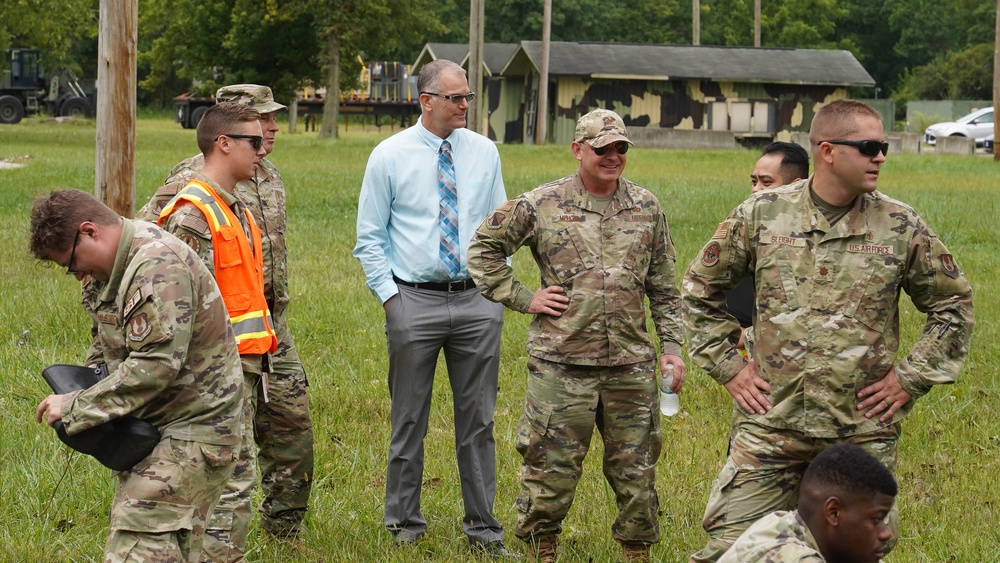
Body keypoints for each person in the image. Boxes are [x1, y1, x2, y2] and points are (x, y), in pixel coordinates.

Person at [683, 99, 974, 563]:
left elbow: (953, 305)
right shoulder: (763, 214)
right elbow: (699, 289)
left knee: (860, 550)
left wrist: (910, 378)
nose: (880, 155)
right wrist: (728, 367)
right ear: (827, 151)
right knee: (732, 549)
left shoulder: (900, 225)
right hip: (771, 424)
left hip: (858, 430)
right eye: (869, 146)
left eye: (883, 147)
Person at [467, 108, 687, 563]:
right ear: (578, 149)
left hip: (629, 364)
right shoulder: (542, 203)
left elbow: (664, 284)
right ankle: (540, 547)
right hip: (561, 364)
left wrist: (671, 347)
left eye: (620, 148)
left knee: (637, 469)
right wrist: (525, 297)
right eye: (601, 148)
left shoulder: (646, 206)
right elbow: (483, 249)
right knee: (550, 466)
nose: (612, 156)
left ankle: (636, 551)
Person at [138, 84, 314, 540]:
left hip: (269, 327)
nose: (271, 129)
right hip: (218, 339)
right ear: (230, 133)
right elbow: (148, 241)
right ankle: (205, 531)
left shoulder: (269, 175)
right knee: (227, 448)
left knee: (292, 426)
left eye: (272, 121)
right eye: (262, 122)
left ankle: (283, 529)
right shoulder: (191, 182)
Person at [353, 59, 513, 558]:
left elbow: (501, 226)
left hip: (476, 301)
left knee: (479, 422)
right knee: (408, 420)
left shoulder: (485, 152)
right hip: (413, 302)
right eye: (455, 97)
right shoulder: (389, 156)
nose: (465, 104)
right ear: (426, 101)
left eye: (467, 97)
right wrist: (391, 299)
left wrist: (494, 290)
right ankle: (403, 524)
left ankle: (484, 529)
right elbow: (370, 236)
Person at [30, 189, 244, 561]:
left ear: (90, 231)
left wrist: (76, 406)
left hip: (195, 429)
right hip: (161, 426)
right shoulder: (113, 270)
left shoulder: (157, 264)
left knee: (137, 544)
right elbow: (107, 345)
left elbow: (155, 365)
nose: (76, 274)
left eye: (72, 263)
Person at [152, 101, 279, 561]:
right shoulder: (193, 216)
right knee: (223, 487)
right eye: (253, 140)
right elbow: (176, 315)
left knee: (234, 481)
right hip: (210, 380)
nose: (263, 147)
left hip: (239, 369)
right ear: (223, 144)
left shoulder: (237, 209)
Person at [718, 443, 897, 563]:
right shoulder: (791, 557)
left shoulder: (781, 522)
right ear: (834, 512)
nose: (886, 533)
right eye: (876, 520)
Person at [726, 141, 810, 347]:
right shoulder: (746, 225)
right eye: (754, 182)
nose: (756, 190)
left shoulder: (815, 233)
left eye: (766, 182)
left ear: (795, 185)